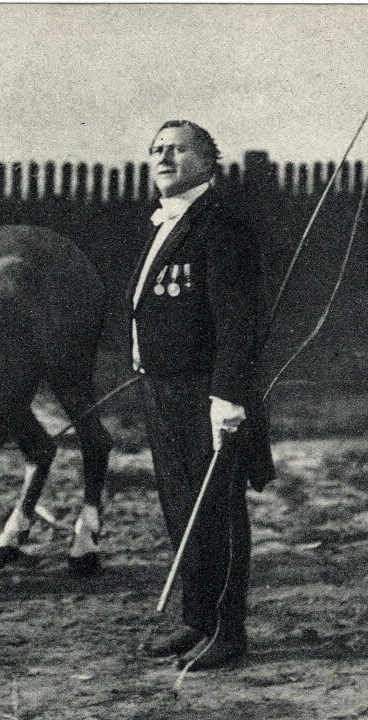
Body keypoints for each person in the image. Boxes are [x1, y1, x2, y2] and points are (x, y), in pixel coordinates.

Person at [131, 120, 274, 670]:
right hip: (162, 390)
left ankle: (228, 632)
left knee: (217, 510)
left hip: (207, 395)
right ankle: (197, 619)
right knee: (182, 509)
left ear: (209, 160)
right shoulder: (167, 223)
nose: (164, 157)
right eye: (156, 150)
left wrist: (228, 397)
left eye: (178, 148)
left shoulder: (221, 224)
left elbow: (239, 322)